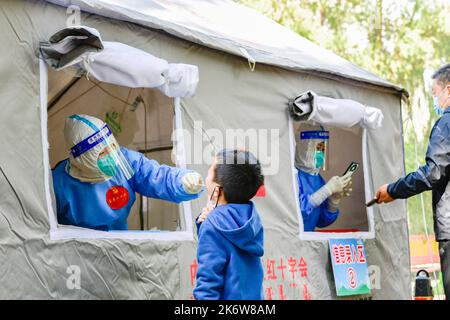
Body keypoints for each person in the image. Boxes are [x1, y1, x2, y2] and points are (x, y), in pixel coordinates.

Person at [52, 114, 203, 231]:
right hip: (77, 253)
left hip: (119, 245)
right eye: (102, 153)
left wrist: (181, 181)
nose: (111, 157)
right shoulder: (57, 183)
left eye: (111, 148)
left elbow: (155, 176)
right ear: (82, 158)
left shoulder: (126, 160)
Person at [375, 63, 450, 299]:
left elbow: (434, 172)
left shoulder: (446, 125)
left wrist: (393, 190)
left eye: (434, 93)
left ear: (448, 89)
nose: (434, 100)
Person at [193, 149, 265, 300]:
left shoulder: (213, 224)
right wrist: (207, 222)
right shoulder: (251, 217)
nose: (206, 176)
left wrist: (210, 223)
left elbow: (207, 285)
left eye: (209, 172)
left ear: (218, 190)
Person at [295, 123, 353, 231]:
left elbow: (321, 221)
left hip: (309, 242)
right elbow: (298, 212)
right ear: (303, 145)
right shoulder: (292, 175)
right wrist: (327, 190)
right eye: (315, 146)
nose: (319, 153)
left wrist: (334, 200)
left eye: (321, 147)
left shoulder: (317, 179)